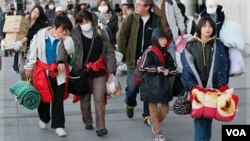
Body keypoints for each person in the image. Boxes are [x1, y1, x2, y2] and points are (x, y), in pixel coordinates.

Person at [24, 15, 74, 137]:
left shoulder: (66, 37)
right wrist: (29, 67)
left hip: (59, 72)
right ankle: (44, 118)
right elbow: (32, 51)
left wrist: (65, 38)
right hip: (43, 72)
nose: (65, 32)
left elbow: (71, 50)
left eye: (67, 30)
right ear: (55, 27)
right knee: (43, 98)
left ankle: (59, 125)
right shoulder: (40, 35)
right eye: (63, 29)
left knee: (58, 99)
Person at [181, 16, 230, 141]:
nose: (208, 29)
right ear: (199, 27)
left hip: (213, 90)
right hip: (197, 91)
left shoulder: (219, 45)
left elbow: (224, 67)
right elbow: (186, 71)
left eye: (210, 26)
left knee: (207, 121)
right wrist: (193, 87)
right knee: (201, 122)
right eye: (205, 26)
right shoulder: (190, 45)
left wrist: (222, 85)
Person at [69, 11, 116, 136]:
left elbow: (110, 50)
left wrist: (111, 70)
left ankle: (101, 127)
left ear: (92, 20)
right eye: (82, 22)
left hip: (99, 69)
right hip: (83, 71)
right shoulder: (74, 34)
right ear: (78, 23)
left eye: (87, 21)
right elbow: (66, 48)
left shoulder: (100, 33)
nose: (85, 24)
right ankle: (87, 120)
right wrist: (61, 62)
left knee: (99, 99)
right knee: (84, 100)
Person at [117, 0, 162, 125]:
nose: (135, 6)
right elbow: (121, 37)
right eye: (135, 4)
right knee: (132, 88)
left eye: (138, 5)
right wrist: (125, 56)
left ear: (147, 7)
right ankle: (130, 104)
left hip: (150, 62)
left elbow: (161, 39)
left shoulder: (156, 20)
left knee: (148, 89)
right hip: (134, 61)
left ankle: (147, 115)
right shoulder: (130, 19)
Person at [139, 27, 177, 141]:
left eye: (165, 39)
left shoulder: (166, 53)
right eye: (161, 39)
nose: (164, 41)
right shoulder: (149, 51)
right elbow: (141, 67)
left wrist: (168, 71)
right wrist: (156, 69)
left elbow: (174, 69)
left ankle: (152, 121)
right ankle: (158, 133)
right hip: (149, 85)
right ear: (155, 39)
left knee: (165, 109)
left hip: (163, 86)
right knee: (153, 111)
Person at [12, 5, 47, 80]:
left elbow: (30, 35)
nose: (35, 14)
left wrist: (20, 42)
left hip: (31, 50)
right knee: (21, 70)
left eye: (37, 14)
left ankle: (30, 86)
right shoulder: (24, 20)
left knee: (30, 70)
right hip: (21, 50)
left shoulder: (39, 25)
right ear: (32, 11)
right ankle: (24, 85)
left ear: (39, 16)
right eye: (34, 12)